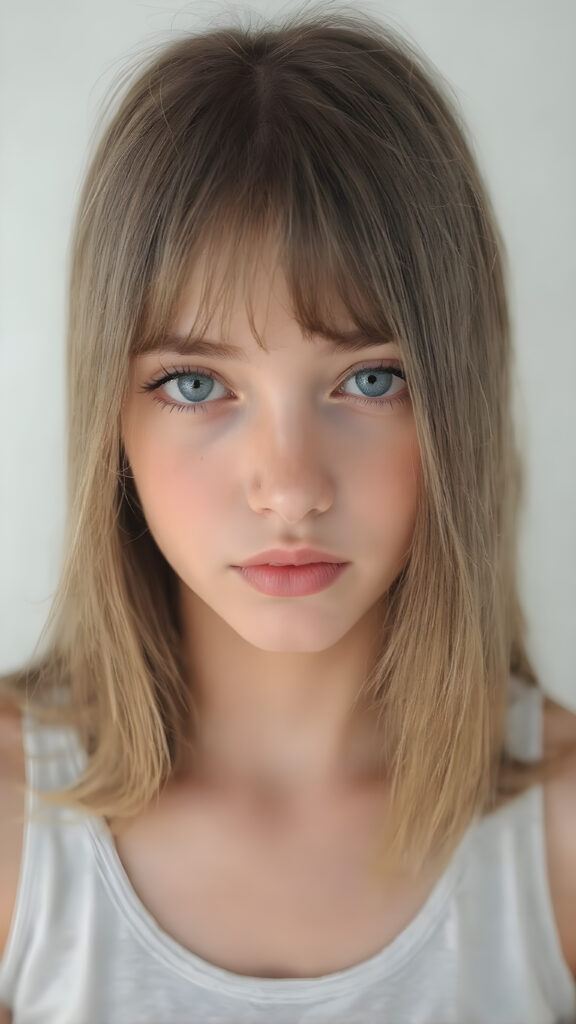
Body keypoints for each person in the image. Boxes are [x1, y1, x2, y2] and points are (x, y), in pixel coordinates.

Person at [0, 6, 575, 1022]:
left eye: (368, 380)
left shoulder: (559, 837)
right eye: (193, 385)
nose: (290, 484)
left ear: (459, 403)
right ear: (111, 423)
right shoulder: (13, 828)